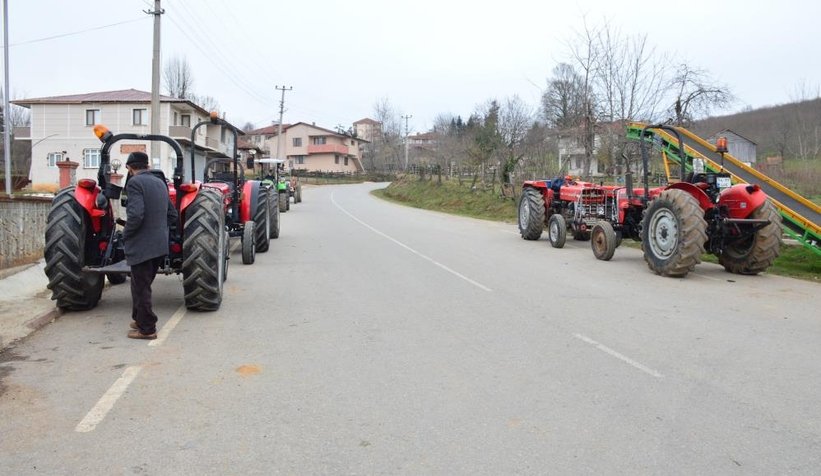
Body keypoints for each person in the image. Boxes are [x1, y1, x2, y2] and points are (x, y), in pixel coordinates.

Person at [122, 151, 178, 340]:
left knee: (141, 287)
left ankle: (147, 328)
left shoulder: (135, 183)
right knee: (141, 284)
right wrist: (158, 229)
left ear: (130, 168)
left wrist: (126, 234)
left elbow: (136, 215)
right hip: (159, 245)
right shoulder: (160, 183)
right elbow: (172, 215)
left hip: (142, 244)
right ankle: (139, 319)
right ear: (147, 165)